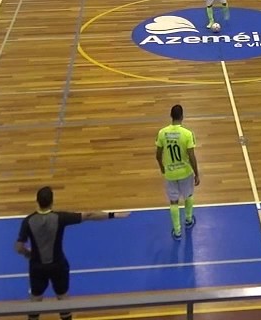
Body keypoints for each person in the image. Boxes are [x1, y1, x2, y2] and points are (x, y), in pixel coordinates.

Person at [15, 186, 128, 320]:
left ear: (37, 201)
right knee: (63, 298)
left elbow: (19, 247)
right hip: (58, 266)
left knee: (35, 299)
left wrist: (29, 254)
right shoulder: (60, 218)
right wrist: (113, 215)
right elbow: (89, 215)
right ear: (52, 201)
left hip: (37, 267)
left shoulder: (28, 221)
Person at [156, 104, 200, 239]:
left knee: (173, 202)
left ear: (171, 116)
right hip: (185, 172)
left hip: (170, 173)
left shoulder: (162, 133)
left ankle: (177, 231)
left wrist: (162, 167)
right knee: (188, 195)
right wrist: (196, 173)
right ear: (182, 116)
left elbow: (158, 154)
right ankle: (188, 219)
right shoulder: (187, 134)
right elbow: (191, 155)